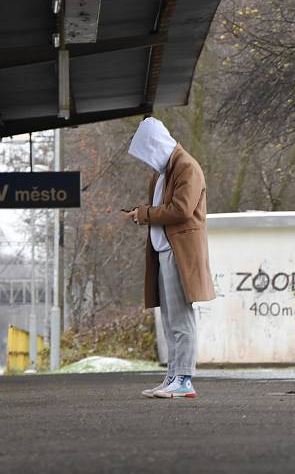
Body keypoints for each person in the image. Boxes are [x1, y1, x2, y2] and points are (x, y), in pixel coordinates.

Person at [124, 117, 216, 399]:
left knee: (180, 318)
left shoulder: (186, 167)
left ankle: (184, 377)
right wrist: (143, 213)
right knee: (169, 319)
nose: (148, 161)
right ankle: (174, 376)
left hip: (180, 252)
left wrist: (144, 214)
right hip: (165, 250)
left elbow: (181, 209)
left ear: (155, 146)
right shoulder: (163, 171)